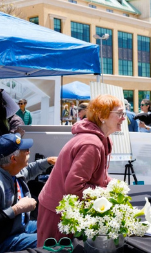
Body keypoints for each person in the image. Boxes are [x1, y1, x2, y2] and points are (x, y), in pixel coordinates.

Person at [36, 94, 124, 247]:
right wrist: (107, 192)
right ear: (102, 116)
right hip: (58, 213)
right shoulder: (92, 144)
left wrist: (115, 185)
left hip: (64, 208)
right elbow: (75, 187)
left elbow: (96, 175)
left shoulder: (100, 139)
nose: (124, 118)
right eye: (120, 114)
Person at [0, 134, 56, 253]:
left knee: (55, 227)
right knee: (50, 241)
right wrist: (18, 208)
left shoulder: (10, 169)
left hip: (16, 226)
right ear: (13, 159)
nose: (29, 151)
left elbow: (29, 170)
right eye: (25, 150)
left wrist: (48, 161)